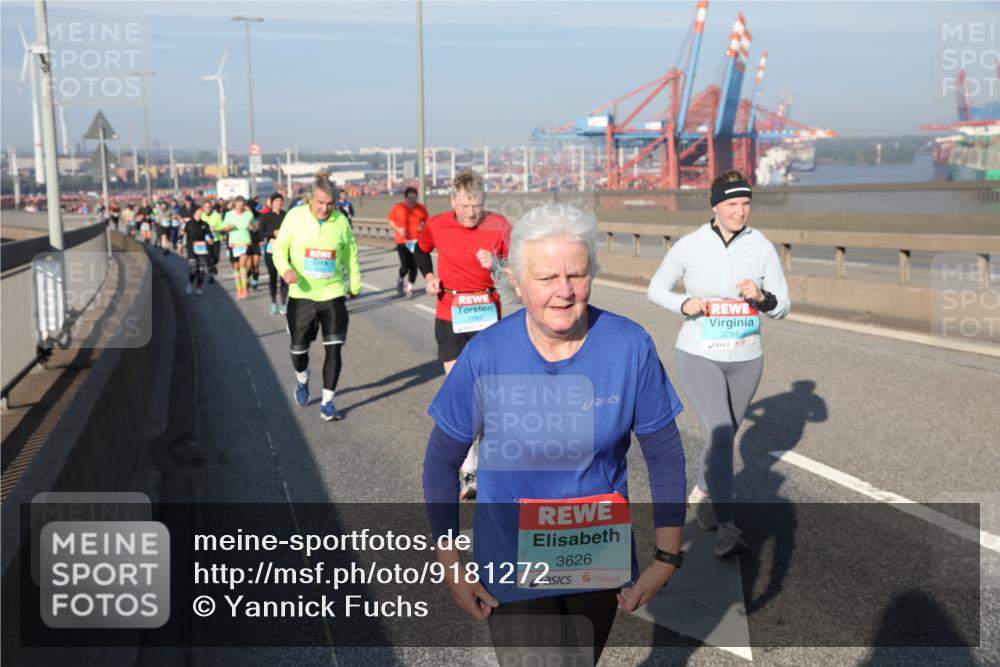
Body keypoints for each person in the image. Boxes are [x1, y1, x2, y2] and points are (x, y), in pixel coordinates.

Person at [423, 205, 686, 666]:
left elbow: (664, 455)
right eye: (546, 278)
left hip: (595, 560)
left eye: (577, 275)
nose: (563, 292)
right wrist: (451, 562)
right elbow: (441, 463)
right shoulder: (487, 353)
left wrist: (667, 557)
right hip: (511, 561)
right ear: (517, 283)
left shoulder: (629, 346)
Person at [647, 170, 790, 558]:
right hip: (699, 354)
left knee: (720, 437)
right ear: (715, 206)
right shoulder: (690, 245)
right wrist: (683, 303)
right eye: (732, 204)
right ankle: (727, 526)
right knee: (723, 431)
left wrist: (761, 297)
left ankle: (704, 490)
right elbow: (655, 289)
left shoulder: (760, 246)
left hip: (746, 358)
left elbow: (784, 307)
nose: (740, 212)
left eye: (745, 204)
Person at [414, 171, 510, 500]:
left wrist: (496, 262)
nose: (471, 212)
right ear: (453, 200)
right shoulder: (437, 224)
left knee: (484, 394)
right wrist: (428, 276)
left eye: (478, 206)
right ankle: (468, 468)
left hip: (487, 311)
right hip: (450, 312)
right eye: (466, 205)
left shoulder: (498, 225)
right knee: (461, 392)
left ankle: (480, 466)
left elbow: (516, 269)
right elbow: (420, 250)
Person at [272, 172, 361, 421]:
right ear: (310, 200)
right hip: (302, 294)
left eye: (329, 204)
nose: (325, 208)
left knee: (334, 349)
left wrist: (354, 283)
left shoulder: (340, 221)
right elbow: (280, 248)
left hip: (332, 293)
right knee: (298, 351)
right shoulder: (294, 217)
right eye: (320, 203)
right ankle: (302, 379)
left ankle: (327, 402)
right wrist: (285, 269)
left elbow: (349, 254)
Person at [387, 186, 428, 297]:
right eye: (410, 198)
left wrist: (422, 226)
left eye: (414, 198)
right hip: (402, 241)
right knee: (405, 266)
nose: (412, 200)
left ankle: (410, 287)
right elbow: (390, 220)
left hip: (416, 241)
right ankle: (401, 279)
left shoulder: (421, 208)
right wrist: (399, 229)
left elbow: (426, 221)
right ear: (406, 198)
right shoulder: (399, 207)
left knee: (414, 265)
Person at [258, 192, 289, 315]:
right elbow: (260, 234)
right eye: (276, 201)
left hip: (284, 250)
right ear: (271, 203)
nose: (279, 203)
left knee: (284, 277)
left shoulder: (286, 216)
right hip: (270, 250)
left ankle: (284, 304)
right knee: (273, 277)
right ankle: (273, 303)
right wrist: (273, 233)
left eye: (280, 201)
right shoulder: (265, 217)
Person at [222, 196, 255, 299]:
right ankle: (239, 289)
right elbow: (224, 228)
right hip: (233, 243)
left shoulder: (249, 214)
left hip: (245, 242)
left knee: (243, 264)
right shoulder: (229, 214)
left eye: (242, 205)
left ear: (244, 205)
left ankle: (244, 289)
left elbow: (253, 226)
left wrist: (251, 227)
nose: (240, 207)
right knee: (236, 267)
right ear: (235, 204)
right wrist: (228, 228)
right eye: (238, 204)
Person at [184, 202, 214, 296]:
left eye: (200, 213)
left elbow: (209, 235)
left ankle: (199, 288)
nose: (199, 214)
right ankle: (190, 284)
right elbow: (183, 234)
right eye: (197, 212)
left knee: (201, 270)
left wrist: (210, 239)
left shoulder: (205, 224)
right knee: (193, 269)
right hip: (192, 250)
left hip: (202, 250)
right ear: (193, 213)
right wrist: (180, 244)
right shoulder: (188, 224)